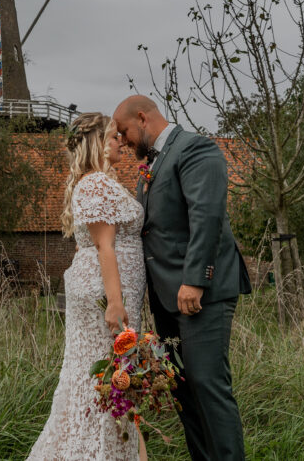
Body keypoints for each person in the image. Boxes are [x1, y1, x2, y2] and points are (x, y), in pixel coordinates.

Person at [113, 95, 252, 461]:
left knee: (208, 385)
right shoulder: (151, 166)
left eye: (124, 132)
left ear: (142, 118)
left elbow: (206, 215)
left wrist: (195, 279)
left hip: (199, 294)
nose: (123, 141)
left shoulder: (196, 149)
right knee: (183, 390)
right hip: (167, 299)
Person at [28, 112, 147, 461]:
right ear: (96, 143)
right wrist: (114, 302)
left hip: (107, 292)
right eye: (113, 137)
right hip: (105, 297)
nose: (120, 142)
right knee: (106, 381)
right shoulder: (94, 183)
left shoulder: (97, 182)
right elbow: (103, 246)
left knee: (109, 380)